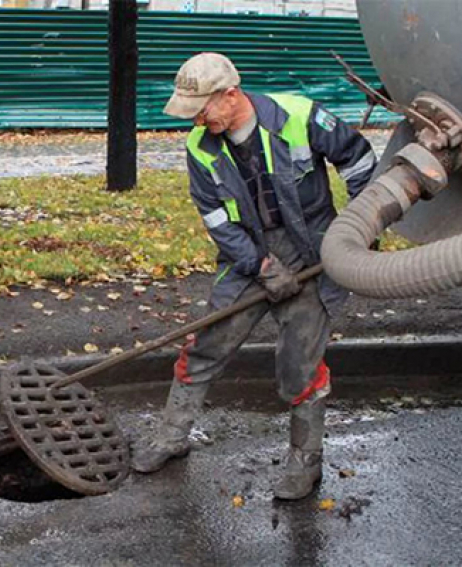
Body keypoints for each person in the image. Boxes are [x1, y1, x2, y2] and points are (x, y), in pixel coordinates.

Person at [131, 53, 377, 500]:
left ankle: (306, 461)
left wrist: (366, 226)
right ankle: (170, 437)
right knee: (205, 345)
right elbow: (216, 220)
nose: (198, 121)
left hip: (313, 251)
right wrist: (261, 267)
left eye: (202, 110)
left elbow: (359, 162)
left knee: (298, 367)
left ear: (230, 94)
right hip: (248, 253)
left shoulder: (299, 116)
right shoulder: (200, 147)